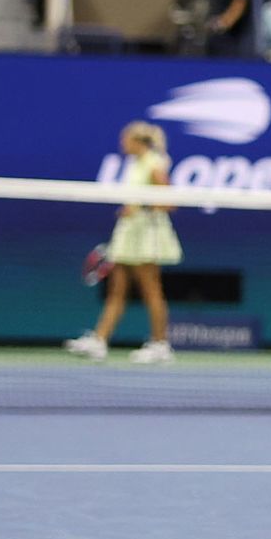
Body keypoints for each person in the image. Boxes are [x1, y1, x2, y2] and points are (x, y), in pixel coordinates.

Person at [66, 123, 180, 364]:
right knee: (116, 291)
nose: (122, 144)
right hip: (129, 234)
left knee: (151, 290)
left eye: (125, 139)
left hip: (147, 235)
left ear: (138, 142)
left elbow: (169, 202)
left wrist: (139, 208)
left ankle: (160, 345)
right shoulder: (135, 163)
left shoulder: (153, 163)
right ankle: (100, 340)